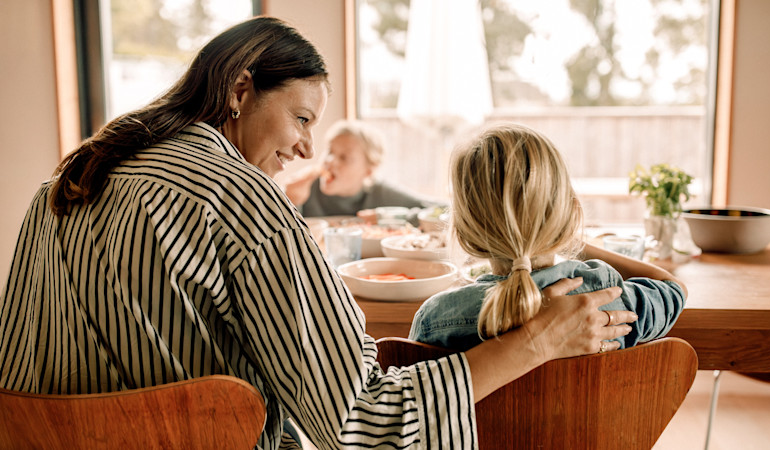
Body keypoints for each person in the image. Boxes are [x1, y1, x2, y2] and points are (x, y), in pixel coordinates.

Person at [0, 18, 636, 450]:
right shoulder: (243, 201)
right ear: (241, 90)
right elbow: (362, 424)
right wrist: (539, 340)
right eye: (302, 116)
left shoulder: (64, 183)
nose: (307, 146)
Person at [409, 123, 688, 352]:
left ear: (464, 228)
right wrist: (574, 242)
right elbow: (673, 288)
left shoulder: (436, 318)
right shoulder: (606, 295)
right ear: (568, 213)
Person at [284, 119, 443, 218]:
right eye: (330, 151)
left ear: (369, 171)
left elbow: (445, 211)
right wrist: (290, 202)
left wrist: (385, 217)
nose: (330, 161)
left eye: (344, 157)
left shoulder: (380, 194)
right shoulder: (305, 189)